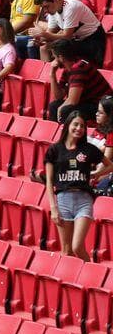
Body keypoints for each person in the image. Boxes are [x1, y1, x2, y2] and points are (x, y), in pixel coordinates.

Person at [45, 111, 113, 261]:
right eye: (76, 124)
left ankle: (91, 276)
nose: (79, 128)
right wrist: (53, 207)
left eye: (82, 126)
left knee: (77, 246)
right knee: (67, 250)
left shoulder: (89, 149)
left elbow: (110, 166)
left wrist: (96, 174)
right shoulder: (54, 150)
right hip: (63, 200)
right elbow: (49, 181)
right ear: (68, 125)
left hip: (84, 200)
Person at [30, 0, 104, 66]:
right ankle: (47, 74)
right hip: (76, 40)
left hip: (93, 41)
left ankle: (64, 74)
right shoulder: (53, 10)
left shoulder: (71, 7)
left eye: (46, 7)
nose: (45, 11)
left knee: (60, 49)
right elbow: (50, 33)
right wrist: (39, 38)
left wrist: (44, 34)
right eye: (43, 8)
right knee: (43, 47)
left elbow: (66, 36)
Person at [47, 39, 113, 123]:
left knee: (65, 110)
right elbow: (59, 96)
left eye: (54, 56)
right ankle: (55, 133)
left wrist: (60, 108)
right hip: (86, 103)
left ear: (61, 57)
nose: (53, 59)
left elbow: (73, 101)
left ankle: (66, 134)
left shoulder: (79, 67)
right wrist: (52, 75)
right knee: (54, 106)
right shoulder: (68, 68)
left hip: (100, 105)